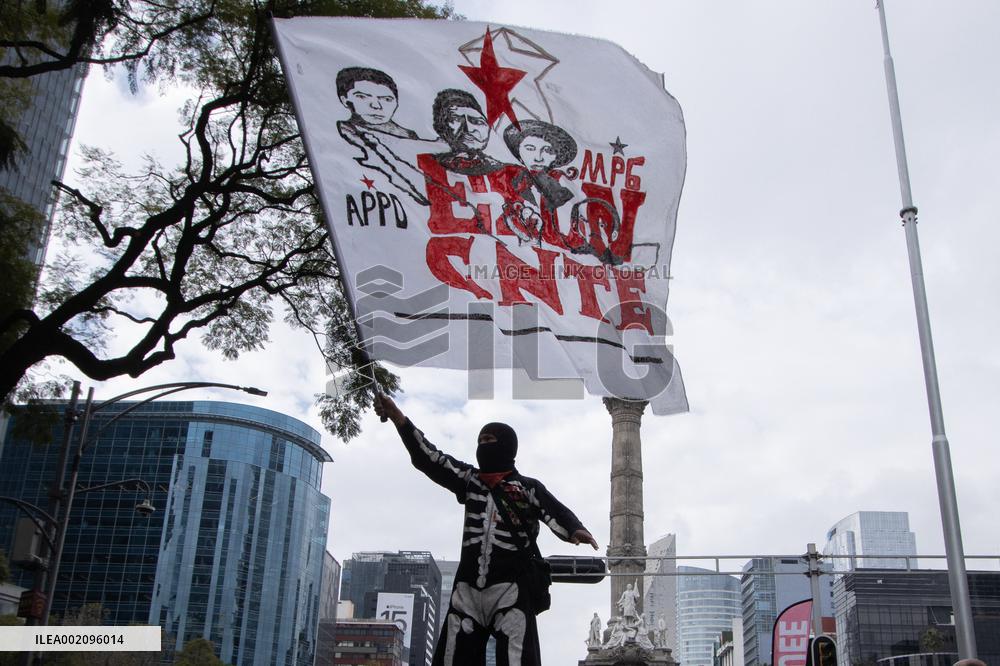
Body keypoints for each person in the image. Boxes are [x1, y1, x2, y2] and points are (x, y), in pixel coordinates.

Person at [373, 393, 598, 666]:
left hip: (511, 589)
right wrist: (399, 418)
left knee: (518, 658)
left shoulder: (527, 487)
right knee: (451, 656)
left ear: (506, 446)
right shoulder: (469, 480)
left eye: (489, 441)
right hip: (467, 591)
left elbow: (553, 509)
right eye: (480, 441)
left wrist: (574, 529)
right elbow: (430, 458)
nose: (483, 446)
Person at [431, 89, 504, 175]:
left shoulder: (514, 173)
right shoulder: (424, 163)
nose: (469, 129)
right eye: (457, 119)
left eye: (477, 122)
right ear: (441, 126)